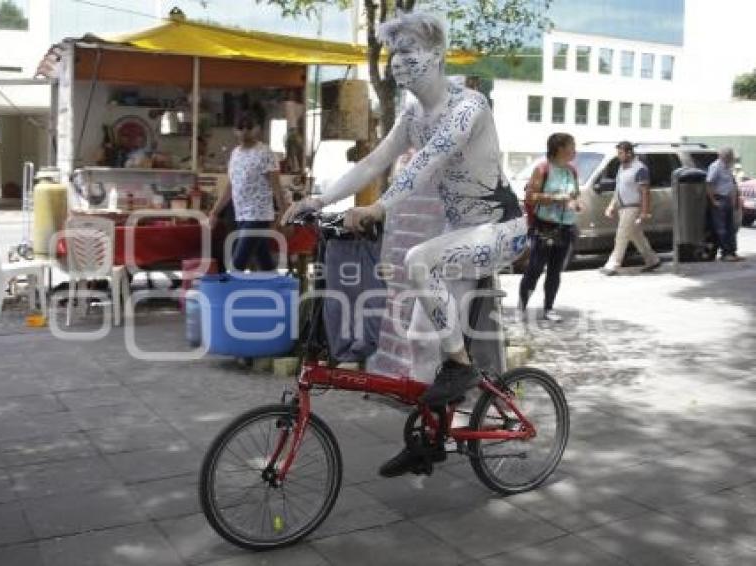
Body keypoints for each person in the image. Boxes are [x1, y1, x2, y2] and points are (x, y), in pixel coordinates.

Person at [282, 12, 526, 476]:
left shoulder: (468, 105)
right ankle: (427, 439)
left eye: (408, 51)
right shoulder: (413, 115)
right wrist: (318, 197)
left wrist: (379, 209)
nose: (397, 62)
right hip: (460, 238)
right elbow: (374, 161)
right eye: (394, 53)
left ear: (436, 56)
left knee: (419, 260)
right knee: (418, 336)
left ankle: (462, 367)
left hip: (500, 231)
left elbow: (426, 164)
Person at [209, 115, 287, 271]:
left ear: (257, 129)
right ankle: (278, 291)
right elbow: (230, 187)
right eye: (240, 128)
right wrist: (214, 212)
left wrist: (283, 214)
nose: (245, 131)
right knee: (263, 260)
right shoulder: (235, 154)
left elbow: (276, 186)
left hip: (258, 215)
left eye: (249, 127)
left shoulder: (265, 153)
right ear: (235, 131)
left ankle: (228, 293)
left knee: (237, 263)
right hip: (241, 215)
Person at [519, 133, 582, 322]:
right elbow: (530, 197)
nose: (575, 150)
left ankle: (548, 309)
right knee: (535, 268)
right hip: (545, 226)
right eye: (572, 146)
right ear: (560, 148)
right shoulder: (542, 169)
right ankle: (521, 307)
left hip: (566, 226)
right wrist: (555, 198)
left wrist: (575, 203)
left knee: (555, 270)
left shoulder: (572, 170)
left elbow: (575, 194)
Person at [600, 141, 661, 275]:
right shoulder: (622, 168)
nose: (619, 156)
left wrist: (644, 212)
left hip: (633, 207)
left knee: (621, 236)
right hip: (622, 207)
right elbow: (618, 189)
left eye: (621, 153)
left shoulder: (640, 169)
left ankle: (613, 264)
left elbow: (645, 191)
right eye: (618, 153)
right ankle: (652, 259)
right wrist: (611, 206)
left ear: (629, 153)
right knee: (636, 235)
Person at [707, 147, 743, 262]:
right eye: (729, 157)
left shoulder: (727, 168)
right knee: (721, 228)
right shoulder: (715, 167)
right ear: (723, 156)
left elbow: (731, 184)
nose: (730, 159)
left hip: (728, 200)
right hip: (720, 199)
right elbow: (709, 184)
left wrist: (734, 199)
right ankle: (725, 253)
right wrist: (713, 201)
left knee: (730, 228)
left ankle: (732, 251)